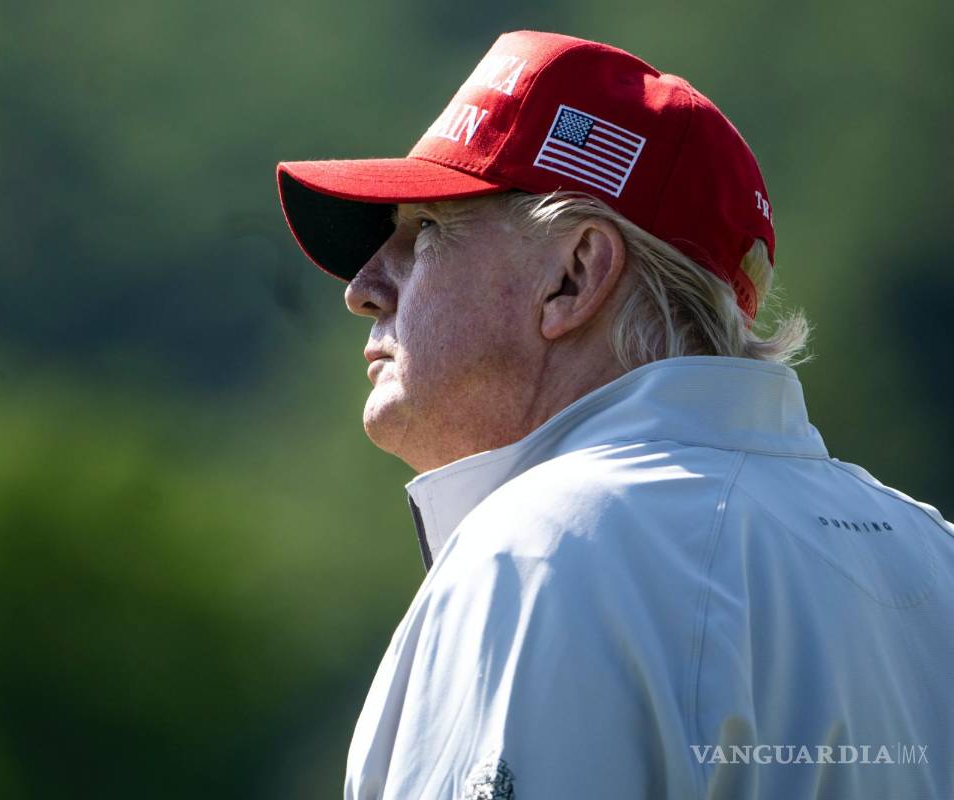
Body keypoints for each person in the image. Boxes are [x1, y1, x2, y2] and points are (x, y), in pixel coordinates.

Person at [275, 30, 953, 800]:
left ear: (575, 275)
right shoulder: (934, 554)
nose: (362, 287)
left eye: (426, 230)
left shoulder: (539, 553)